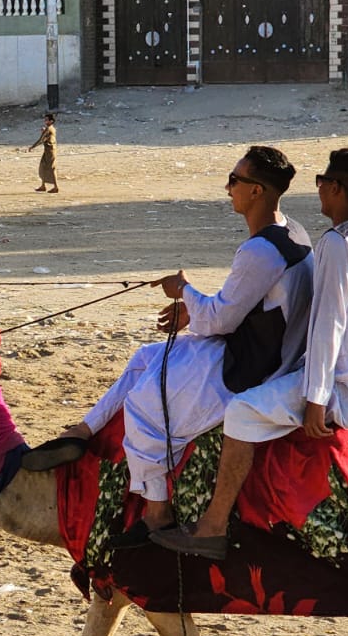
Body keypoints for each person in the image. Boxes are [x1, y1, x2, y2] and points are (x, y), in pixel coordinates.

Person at [25, 147, 313, 543]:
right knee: (147, 357)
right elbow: (245, 305)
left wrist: (183, 291)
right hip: (264, 349)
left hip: (250, 368)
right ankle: (82, 430)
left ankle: (157, 514)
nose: (227, 188)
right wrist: (193, 310)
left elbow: (220, 318)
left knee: (144, 404)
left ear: (257, 191)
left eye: (235, 180)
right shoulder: (293, 231)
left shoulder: (260, 250)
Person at [154, 148, 348, 561]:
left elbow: (329, 325)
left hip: (340, 383)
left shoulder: (336, 243)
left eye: (322, 181)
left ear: (335, 187)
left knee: (242, 412)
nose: (318, 189)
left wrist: (317, 400)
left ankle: (211, 526)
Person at [29, 112, 57, 193]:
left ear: (51, 121)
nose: (45, 121)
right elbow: (45, 139)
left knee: (51, 169)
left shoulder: (48, 129)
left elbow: (41, 140)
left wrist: (32, 147)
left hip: (50, 151)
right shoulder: (51, 128)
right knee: (43, 167)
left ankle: (56, 187)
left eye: (46, 120)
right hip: (50, 150)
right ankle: (43, 185)